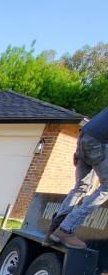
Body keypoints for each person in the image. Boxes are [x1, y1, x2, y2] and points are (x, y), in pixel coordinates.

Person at [50, 104, 108, 249]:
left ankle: (55, 227)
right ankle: (66, 229)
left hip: (84, 138)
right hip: (98, 143)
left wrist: (78, 150)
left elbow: (92, 126)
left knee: (81, 187)